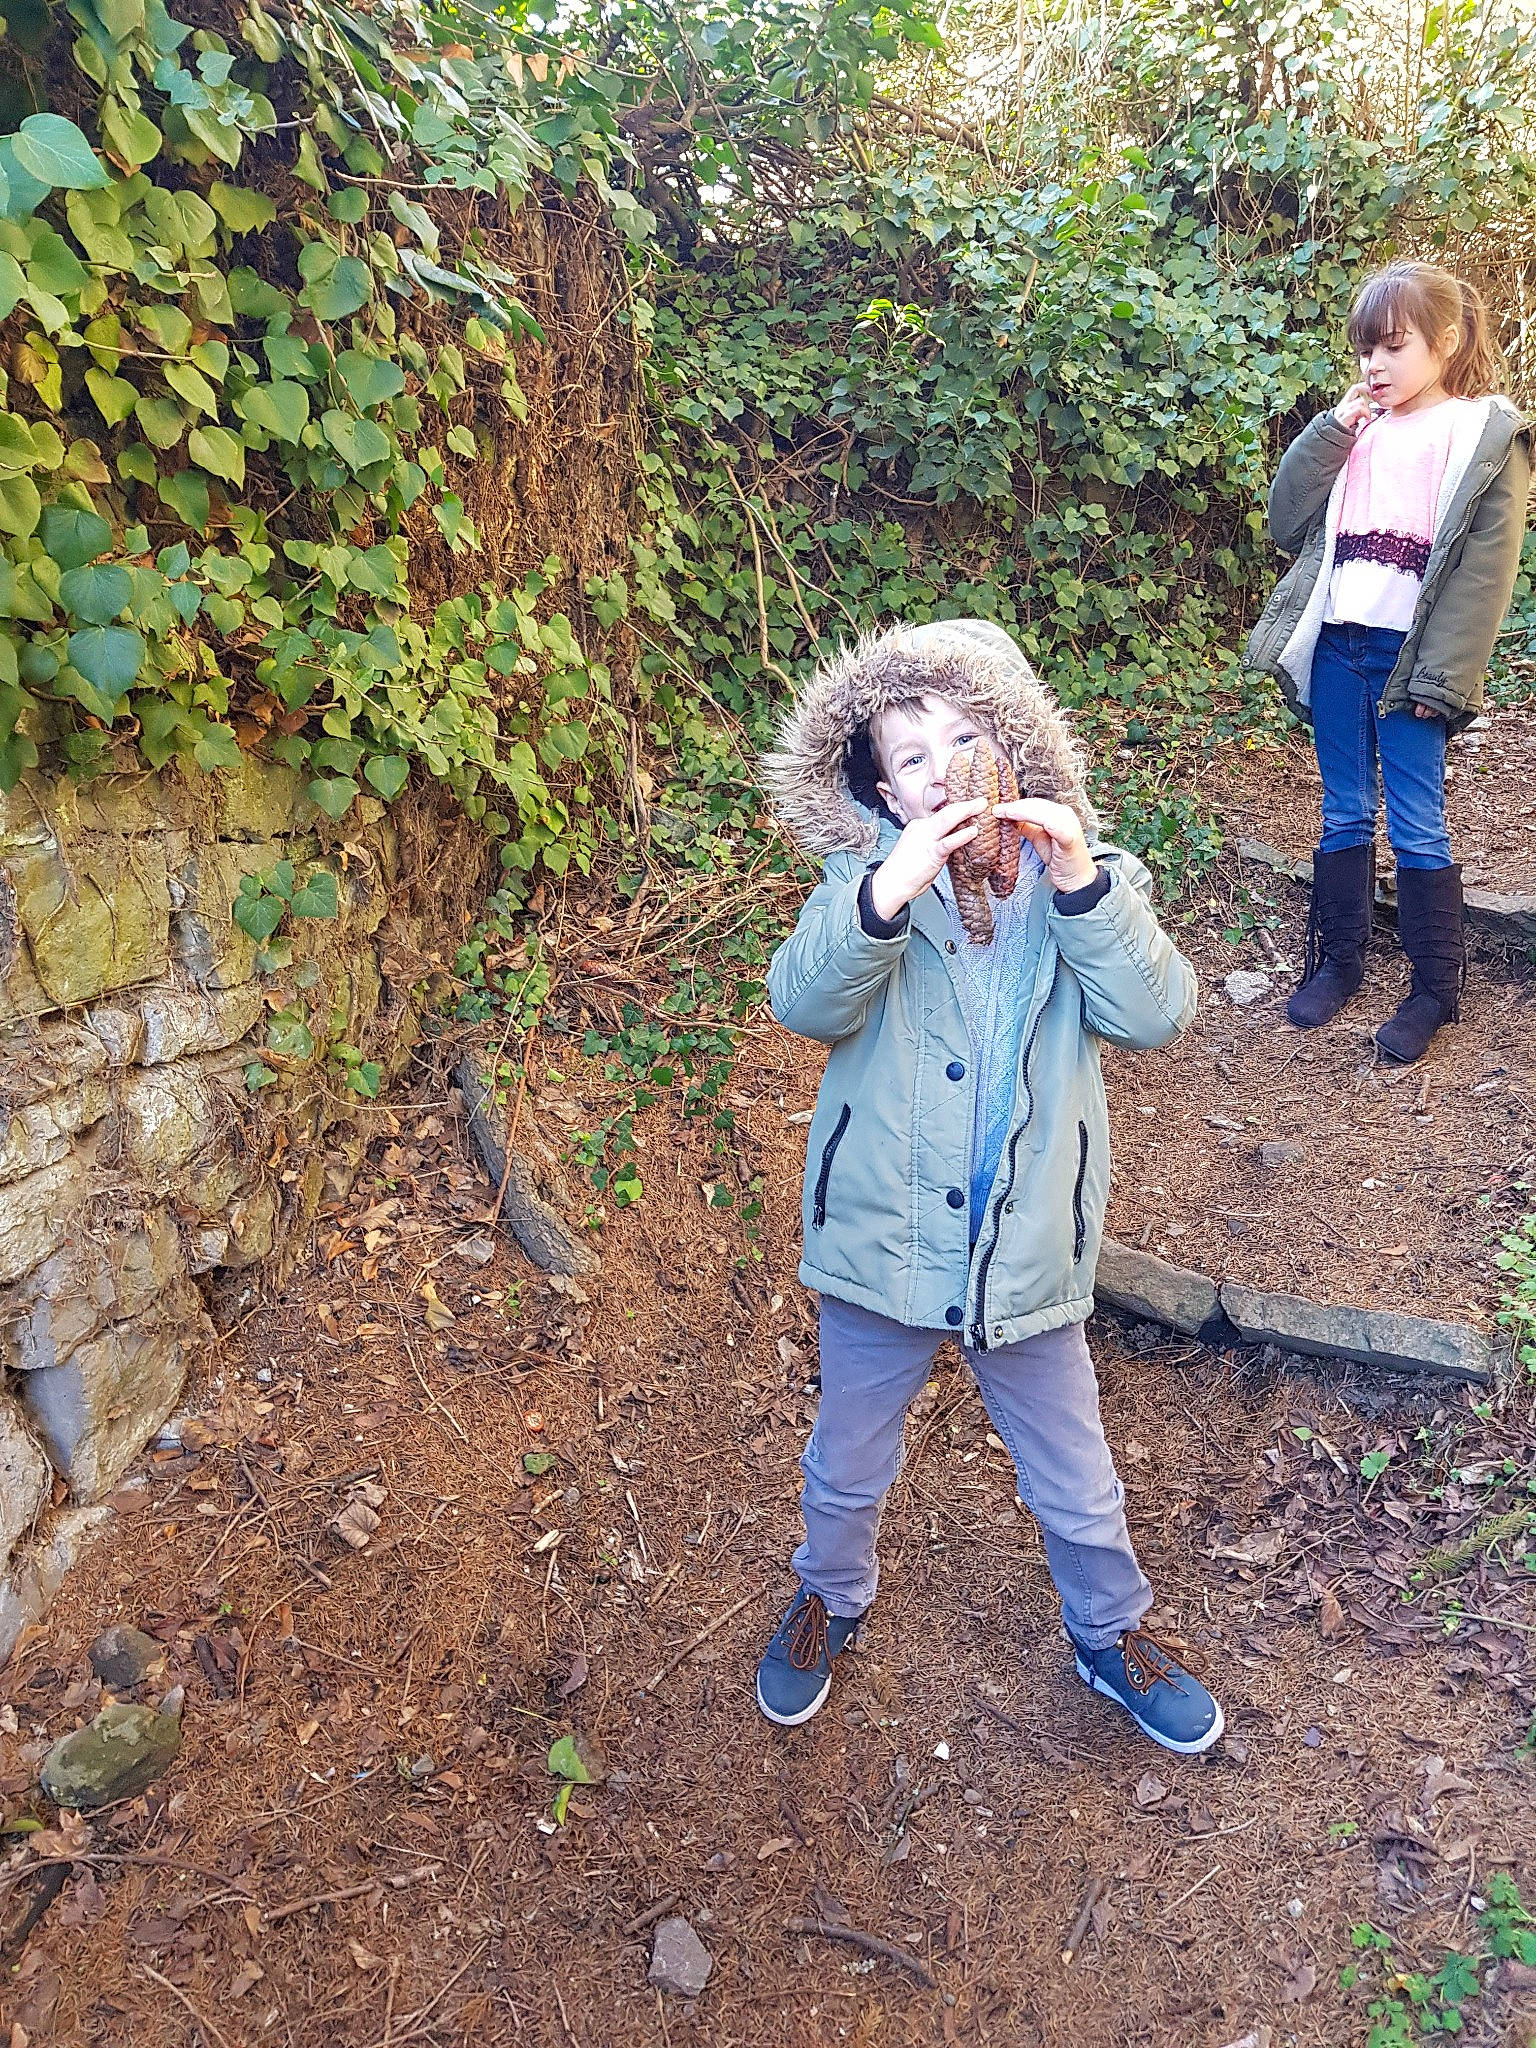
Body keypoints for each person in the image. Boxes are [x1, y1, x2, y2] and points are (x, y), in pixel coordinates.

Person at [754, 617, 1223, 1754]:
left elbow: (1157, 1012)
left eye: (966, 736)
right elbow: (801, 1002)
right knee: (849, 1451)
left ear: (1016, 747)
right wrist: (880, 895)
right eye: (910, 755)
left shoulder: (1083, 885)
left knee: (1075, 1468)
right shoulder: (862, 883)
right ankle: (831, 1591)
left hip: (1026, 1247)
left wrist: (1081, 882)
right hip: (881, 1240)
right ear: (876, 784)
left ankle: (1110, 1632)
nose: (942, 767)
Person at [1247, 260, 1532, 1064]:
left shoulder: (1482, 433)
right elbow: (1285, 519)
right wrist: (1332, 432)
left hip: (1413, 664)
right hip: (1339, 644)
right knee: (1343, 808)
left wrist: (1442, 680)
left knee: (1414, 818)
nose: (1373, 365)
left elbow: (1484, 577)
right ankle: (1338, 963)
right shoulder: (1358, 428)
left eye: (1392, 347)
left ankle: (1434, 987)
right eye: (1364, 348)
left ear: (1444, 343)